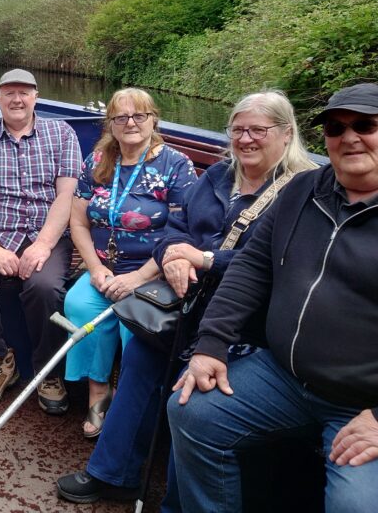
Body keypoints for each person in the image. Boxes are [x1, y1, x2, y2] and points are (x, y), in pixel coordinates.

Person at [57, 90, 316, 504]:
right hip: (187, 303)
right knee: (143, 354)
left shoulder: (302, 190)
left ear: (286, 134)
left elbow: (275, 265)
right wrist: (173, 254)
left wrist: (205, 258)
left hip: (246, 321)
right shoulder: (219, 176)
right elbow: (175, 230)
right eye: (238, 130)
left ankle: (175, 502)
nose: (246, 139)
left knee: (189, 390)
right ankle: (112, 471)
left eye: (258, 131)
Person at [169, 82, 378, 513]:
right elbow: (251, 269)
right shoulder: (302, 191)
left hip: (361, 406)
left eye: (366, 125)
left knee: (356, 505)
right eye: (336, 128)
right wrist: (211, 344)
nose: (349, 136)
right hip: (282, 375)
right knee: (190, 412)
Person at [64, 88, 197, 438]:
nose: (130, 123)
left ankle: (128, 397)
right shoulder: (97, 161)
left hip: (152, 272)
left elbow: (182, 231)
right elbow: (78, 221)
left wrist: (138, 277)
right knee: (79, 303)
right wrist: (94, 268)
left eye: (139, 116)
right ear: (111, 123)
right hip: (103, 266)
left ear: (153, 119)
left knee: (134, 320)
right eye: (121, 117)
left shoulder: (175, 165)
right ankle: (98, 391)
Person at [0, 68, 82, 412]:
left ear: (36, 96)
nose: (17, 99)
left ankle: (47, 370)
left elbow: (66, 196)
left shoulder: (62, 134)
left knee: (45, 288)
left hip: (47, 231)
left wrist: (42, 245)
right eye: (9, 92)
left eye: (24, 92)